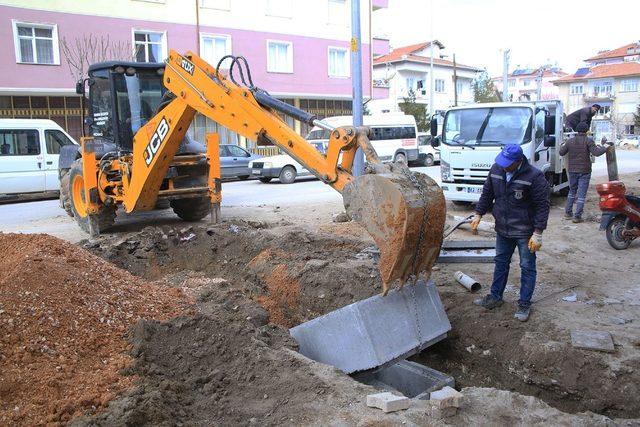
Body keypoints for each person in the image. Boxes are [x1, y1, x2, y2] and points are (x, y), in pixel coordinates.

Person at [470, 144, 550, 322]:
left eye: (508, 163)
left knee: (527, 267)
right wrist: (478, 213)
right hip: (502, 228)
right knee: (500, 262)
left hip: (524, 231)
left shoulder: (534, 176)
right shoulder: (497, 169)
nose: (504, 166)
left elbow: (542, 206)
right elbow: (487, 193)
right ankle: (495, 297)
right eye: (502, 161)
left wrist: (538, 232)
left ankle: (524, 303)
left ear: (518, 161)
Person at [558, 121, 611, 223]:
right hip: (584, 171)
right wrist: (605, 147)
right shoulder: (588, 140)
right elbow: (596, 152)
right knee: (581, 194)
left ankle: (568, 213)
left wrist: (563, 145)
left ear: (577, 130)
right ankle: (577, 216)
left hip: (572, 170)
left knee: (572, 191)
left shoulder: (570, 141)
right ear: (586, 131)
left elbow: (561, 152)